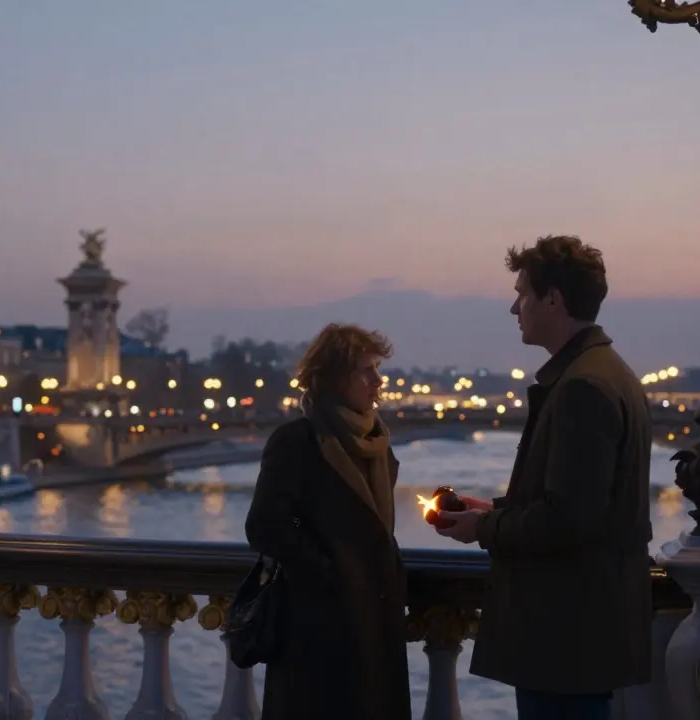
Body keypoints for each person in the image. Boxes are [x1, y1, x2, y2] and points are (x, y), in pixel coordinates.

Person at [436, 235, 654, 720]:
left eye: (523, 294)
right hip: (587, 627)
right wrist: (494, 509)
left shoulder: (582, 388)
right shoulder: (606, 373)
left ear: (553, 299)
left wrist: (482, 529)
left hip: (564, 632)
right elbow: (582, 500)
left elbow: (569, 521)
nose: (515, 308)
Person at [244, 323, 411, 720]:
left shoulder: (377, 445)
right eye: (366, 370)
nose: (378, 379)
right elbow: (265, 525)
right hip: (318, 625)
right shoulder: (296, 441)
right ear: (336, 379)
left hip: (376, 618)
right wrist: (328, 568)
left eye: (377, 368)